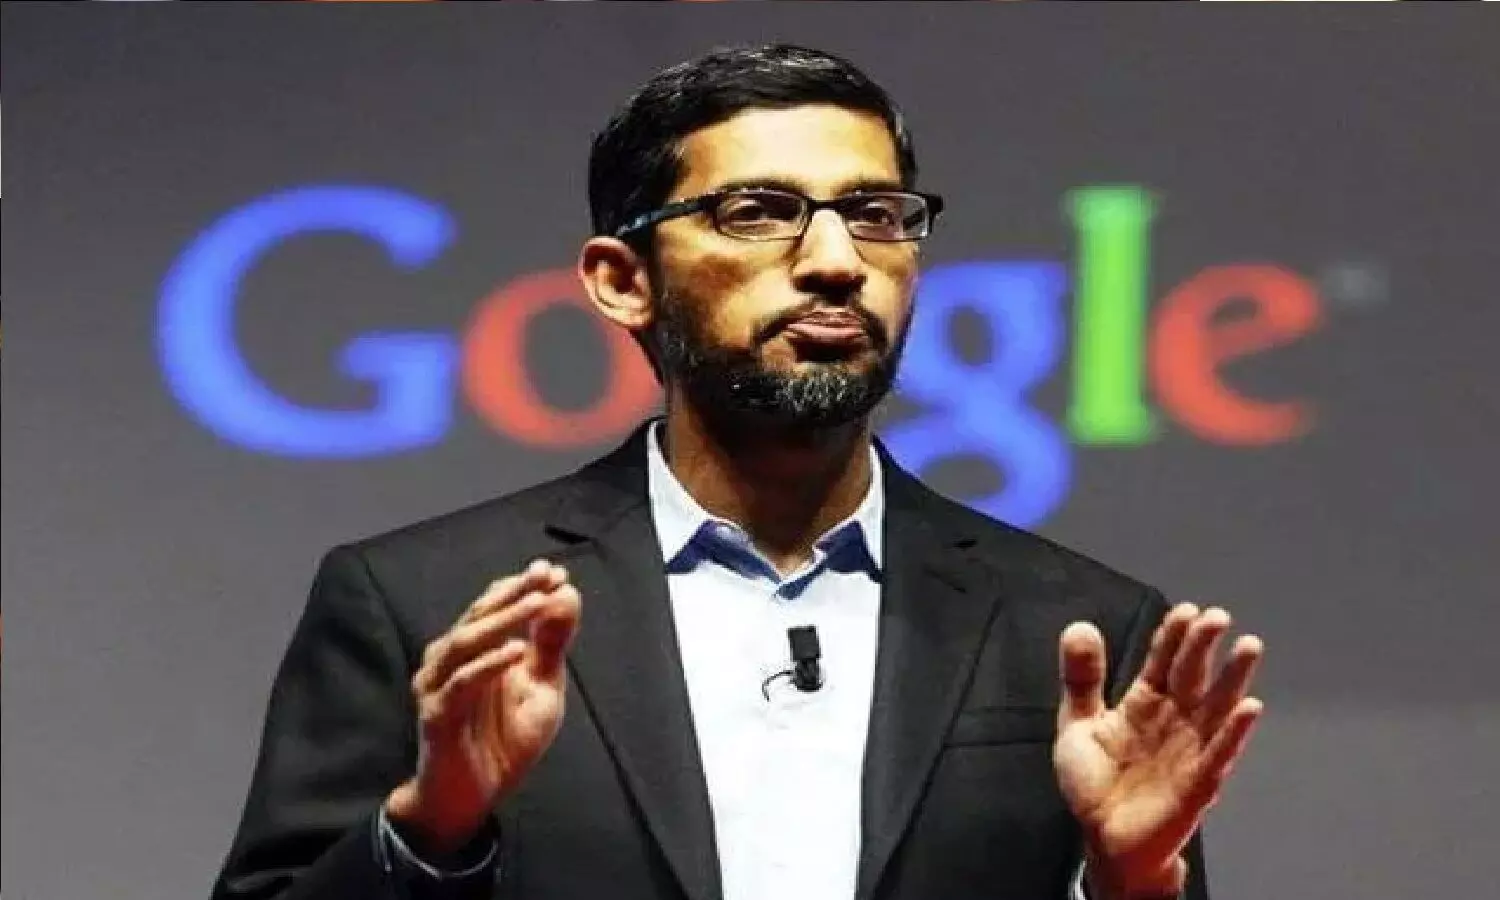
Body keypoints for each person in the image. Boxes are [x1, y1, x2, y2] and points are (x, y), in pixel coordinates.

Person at [210, 44, 1264, 900]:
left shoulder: (1079, 629)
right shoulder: (424, 606)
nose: (838, 260)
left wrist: (1129, 886)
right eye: (758, 212)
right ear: (623, 281)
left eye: (876, 214)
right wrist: (429, 832)